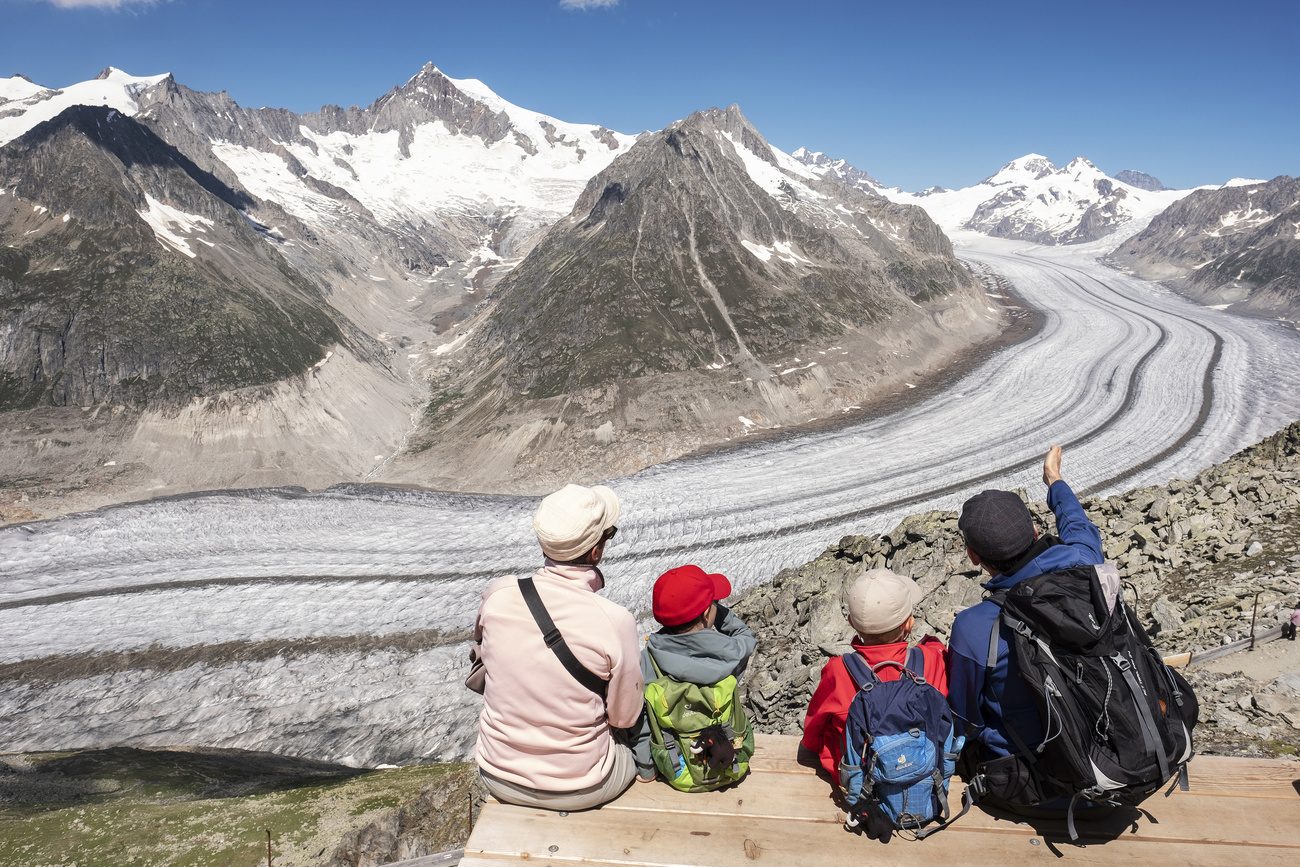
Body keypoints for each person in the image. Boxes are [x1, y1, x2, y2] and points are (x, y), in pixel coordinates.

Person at [947, 445, 1103, 808]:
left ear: (973, 556)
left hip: (1036, 785)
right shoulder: (1085, 566)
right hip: (1116, 753)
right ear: (1035, 531)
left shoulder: (974, 628)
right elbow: (1079, 527)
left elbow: (965, 718)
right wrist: (1055, 481)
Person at [474, 483, 645, 811]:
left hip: (496, 773)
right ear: (595, 552)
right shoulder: (614, 620)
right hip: (581, 785)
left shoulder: (498, 594)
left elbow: (483, 646)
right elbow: (623, 717)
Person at [799, 567, 949, 781]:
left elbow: (812, 736)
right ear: (909, 623)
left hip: (862, 783)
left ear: (852, 623)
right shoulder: (932, 658)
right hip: (924, 772)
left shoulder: (838, 670)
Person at [632, 564, 757, 785]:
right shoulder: (732, 653)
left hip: (678, 771)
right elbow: (744, 634)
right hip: (733, 758)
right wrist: (717, 614)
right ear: (708, 612)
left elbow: (640, 720)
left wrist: (647, 768)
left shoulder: (648, 660)